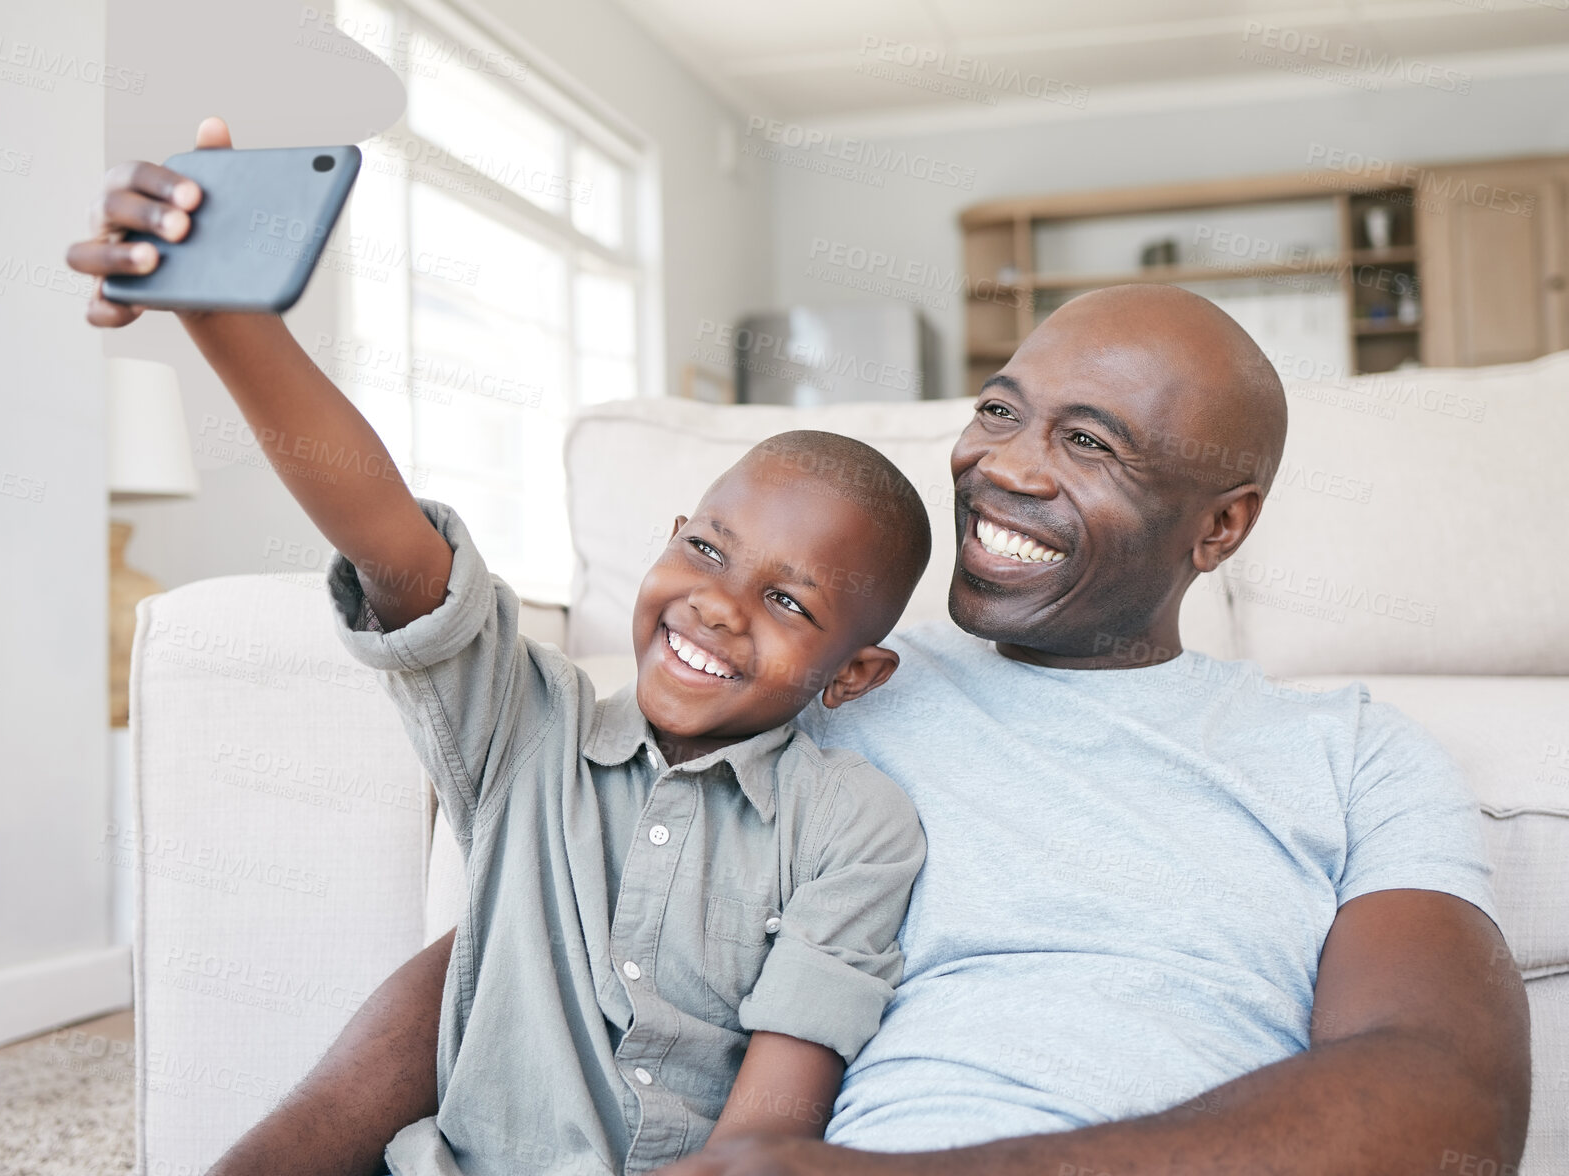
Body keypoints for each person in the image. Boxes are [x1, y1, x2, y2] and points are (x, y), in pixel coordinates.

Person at [67, 124, 1531, 1176]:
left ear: (1221, 532)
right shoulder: (807, 700)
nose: (1002, 469)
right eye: (1002, 409)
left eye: (1087, 444)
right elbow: (545, 930)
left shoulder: (1353, 754)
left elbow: (1448, 1096)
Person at [68, 119, 937, 1176]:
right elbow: (389, 537)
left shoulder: (854, 824)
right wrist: (227, 321)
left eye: (787, 603)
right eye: (705, 550)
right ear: (667, 540)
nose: (714, 606)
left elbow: (769, 1125)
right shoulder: (530, 725)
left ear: (853, 674)